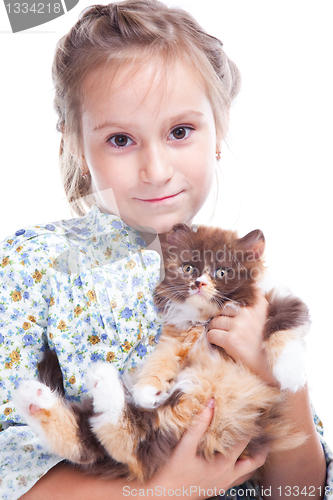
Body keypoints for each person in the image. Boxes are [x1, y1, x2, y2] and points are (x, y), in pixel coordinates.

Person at [0, 1, 332, 499]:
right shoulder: (35, 265)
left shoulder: (238, 276)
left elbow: (300, 490)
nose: (155, 170)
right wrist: (161, 491)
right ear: (76, 147)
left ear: (217, 132)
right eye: (120, 139)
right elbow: (10, 470)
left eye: (180, 132)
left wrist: (283, 382)